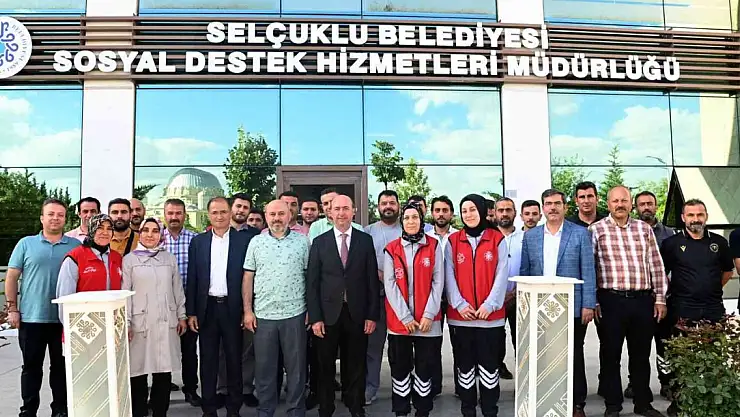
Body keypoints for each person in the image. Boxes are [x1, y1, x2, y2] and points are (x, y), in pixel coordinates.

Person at [591, 186, 668, 417]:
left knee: (641, 356)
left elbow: (656, 265)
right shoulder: (596, 230)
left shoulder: (644, 229)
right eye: (615, 201)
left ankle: (643, 403)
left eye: (624, 200)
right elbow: (590, 267)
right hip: (610, 301)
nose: (620, 205)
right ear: (608, 204)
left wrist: (660, 299)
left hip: (642, 301)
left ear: (630, 203)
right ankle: (613, 405)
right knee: (610, 355)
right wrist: (593, 301)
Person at [520, 189, 597, 417]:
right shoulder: (531, 237)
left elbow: (588, 271)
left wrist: (588, 304)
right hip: (540, 307)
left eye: (557, 203)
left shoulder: (580, 233)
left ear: (565, 207)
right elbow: (525, 272)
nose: (552, 208)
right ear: (543, 208)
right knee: (544, 355)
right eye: (548, 204)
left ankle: (577, 404)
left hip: (573, 306)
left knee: (574, 355)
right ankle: (546, 399)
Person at [5, 199, 81, 417]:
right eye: (51, 214)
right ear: (42, 218)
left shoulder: (75, 246)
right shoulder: (26, 244)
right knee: (31, 368)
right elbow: (11, 277)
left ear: (65, 219)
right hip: (32, 318)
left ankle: (60, 410)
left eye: (60, 215)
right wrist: (12, 309)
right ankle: (28, 410)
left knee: (61, 369)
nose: (55, 218)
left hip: (64, 320)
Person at [307, 194, 380, 417]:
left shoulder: (364, 241)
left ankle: (355, 406)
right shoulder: (320, 242)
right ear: (329, 212)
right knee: (325, 365)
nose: (341, 213)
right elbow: (312, 283)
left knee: (356, 364)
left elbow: (371, 280)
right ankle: (326, 407)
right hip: (328, 315)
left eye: (345, 208)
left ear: (353, 211)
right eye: (337, 209)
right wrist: (316, 318)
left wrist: (372, 315)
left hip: (357, 313)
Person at [660, 199, 734, 417]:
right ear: (683, 218)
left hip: (713, 308)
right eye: (691, 215)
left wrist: (709, 289)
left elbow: (727, 272)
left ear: (706, 217)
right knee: (681, 356)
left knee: (714, 355)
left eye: (699, 215)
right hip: (682, 307)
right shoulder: (671, 244)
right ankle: (679, 403)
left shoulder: (719, 242)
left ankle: (710, 402)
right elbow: (662, 273)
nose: (695, 219)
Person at [186, 197, 258, 417]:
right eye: (215, 212)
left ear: (230, 213)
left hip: (233, 308)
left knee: (234, 360)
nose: (219, 216)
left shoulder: (245, 241)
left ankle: (233, 409)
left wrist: (247, 309)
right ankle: (209, 409)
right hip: (207, 309)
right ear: (209, 215)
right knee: (208, 361)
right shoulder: (198, 242)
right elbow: (193, 278)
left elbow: (250, 278)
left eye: (223, 212)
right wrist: (191, 312)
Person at [243, 200, 310, 417]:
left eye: (281, 214)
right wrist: (247, 311)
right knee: (264, 369)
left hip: (295, 314)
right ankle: (265, 411)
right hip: (264, 316)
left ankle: (296, 411)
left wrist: (310, 309)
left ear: (289, 215)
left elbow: (310, 277)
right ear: (266, 216)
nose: (276, 218)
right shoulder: (256, 242)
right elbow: (248, 277)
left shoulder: (303, 242)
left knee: (296, 369)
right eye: (272, 214)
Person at [445, 194, 508, 417]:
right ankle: (468, 410)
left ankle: (490, 410)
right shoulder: (453, 241)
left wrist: (490, 304)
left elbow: (502, 274)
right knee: (465, 369)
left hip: (490, 319)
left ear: (481, 211)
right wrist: (459, 304)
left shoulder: (497, 239)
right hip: (461, 318)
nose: (469, 214)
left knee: (490, 369)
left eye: (472, 209)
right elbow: (449, 275)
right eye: (464, 211)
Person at [383, 202, 444, 417]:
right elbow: (389, 284)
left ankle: (423, 410)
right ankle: (401, 410)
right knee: (400, 368)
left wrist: (428, 315)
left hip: (428, 322)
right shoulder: (391, 248)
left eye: (415, 217)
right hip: (400, 322)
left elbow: (438, 281)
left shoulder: (434, 245)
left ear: (421, 221)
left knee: (425, 369)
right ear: (402, 221)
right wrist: (405, 317)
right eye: (407, 217)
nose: (411, 221)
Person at [123, 218, 187, 417]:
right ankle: (139, 411)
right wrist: (126, 322)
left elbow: (177, 289)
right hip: (139, 323)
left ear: (160, 234)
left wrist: (181, 315)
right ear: (140, 233)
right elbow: (125, 293)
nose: (150, 235)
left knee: (163, 371)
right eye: (146, 230)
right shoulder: (129, 260)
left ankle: (160, 411)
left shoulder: (169, 258)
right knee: (138, 370)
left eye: (155, 231)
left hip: (165, 321)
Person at [624, 191, 676, 401]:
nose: (646, 207)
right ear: (635, 207)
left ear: (656, 206)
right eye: (642, 204)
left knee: (665, 344)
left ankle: (667, 382)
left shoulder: (670, 234)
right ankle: (635, 382)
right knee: (637, 346)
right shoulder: (629, 231)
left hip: (664, 298)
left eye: (650, 203)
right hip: (640, 298)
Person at [162, 198, 202, 407]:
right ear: (164, 215)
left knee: (189, 350)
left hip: (188, 303)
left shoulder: (195, 240)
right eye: (170, 213)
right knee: (164, 350)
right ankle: (163, 388)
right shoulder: (156, 238)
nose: (174, 217)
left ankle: (191, 389)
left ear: (184, 215)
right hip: (163, 304)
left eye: (178, 213)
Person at [364, 190, 402, 405]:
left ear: (398, 206)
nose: (388, 206)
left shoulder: (407, 229)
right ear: (378, 207)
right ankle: (370, 388)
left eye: (392, 203)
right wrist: (382, 276)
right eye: (384, 203)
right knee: (373, 347)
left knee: (401, 347)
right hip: (376, 297)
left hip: (403, 298)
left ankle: (403, 388)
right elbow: (363, 262)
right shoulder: (368, 232)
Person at [57, 214, 123, 302]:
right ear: (92, 230)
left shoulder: (117, 258)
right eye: (100, 228)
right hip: (84, 310)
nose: (105, 233)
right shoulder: (75, 258)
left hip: (112, 309)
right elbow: (65, 297)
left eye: (109, 229)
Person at [493, 197, 522, 381]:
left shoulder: (525, 238)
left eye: (508, 210)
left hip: (520, 297)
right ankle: (496, 370)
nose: (504, 214)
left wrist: (515, 291)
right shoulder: (488, 237)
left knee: (521, 339)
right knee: (495, 339)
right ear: (495, 213)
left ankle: (523, 380)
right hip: (494, 299)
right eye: (501, 210)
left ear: (515, 213)